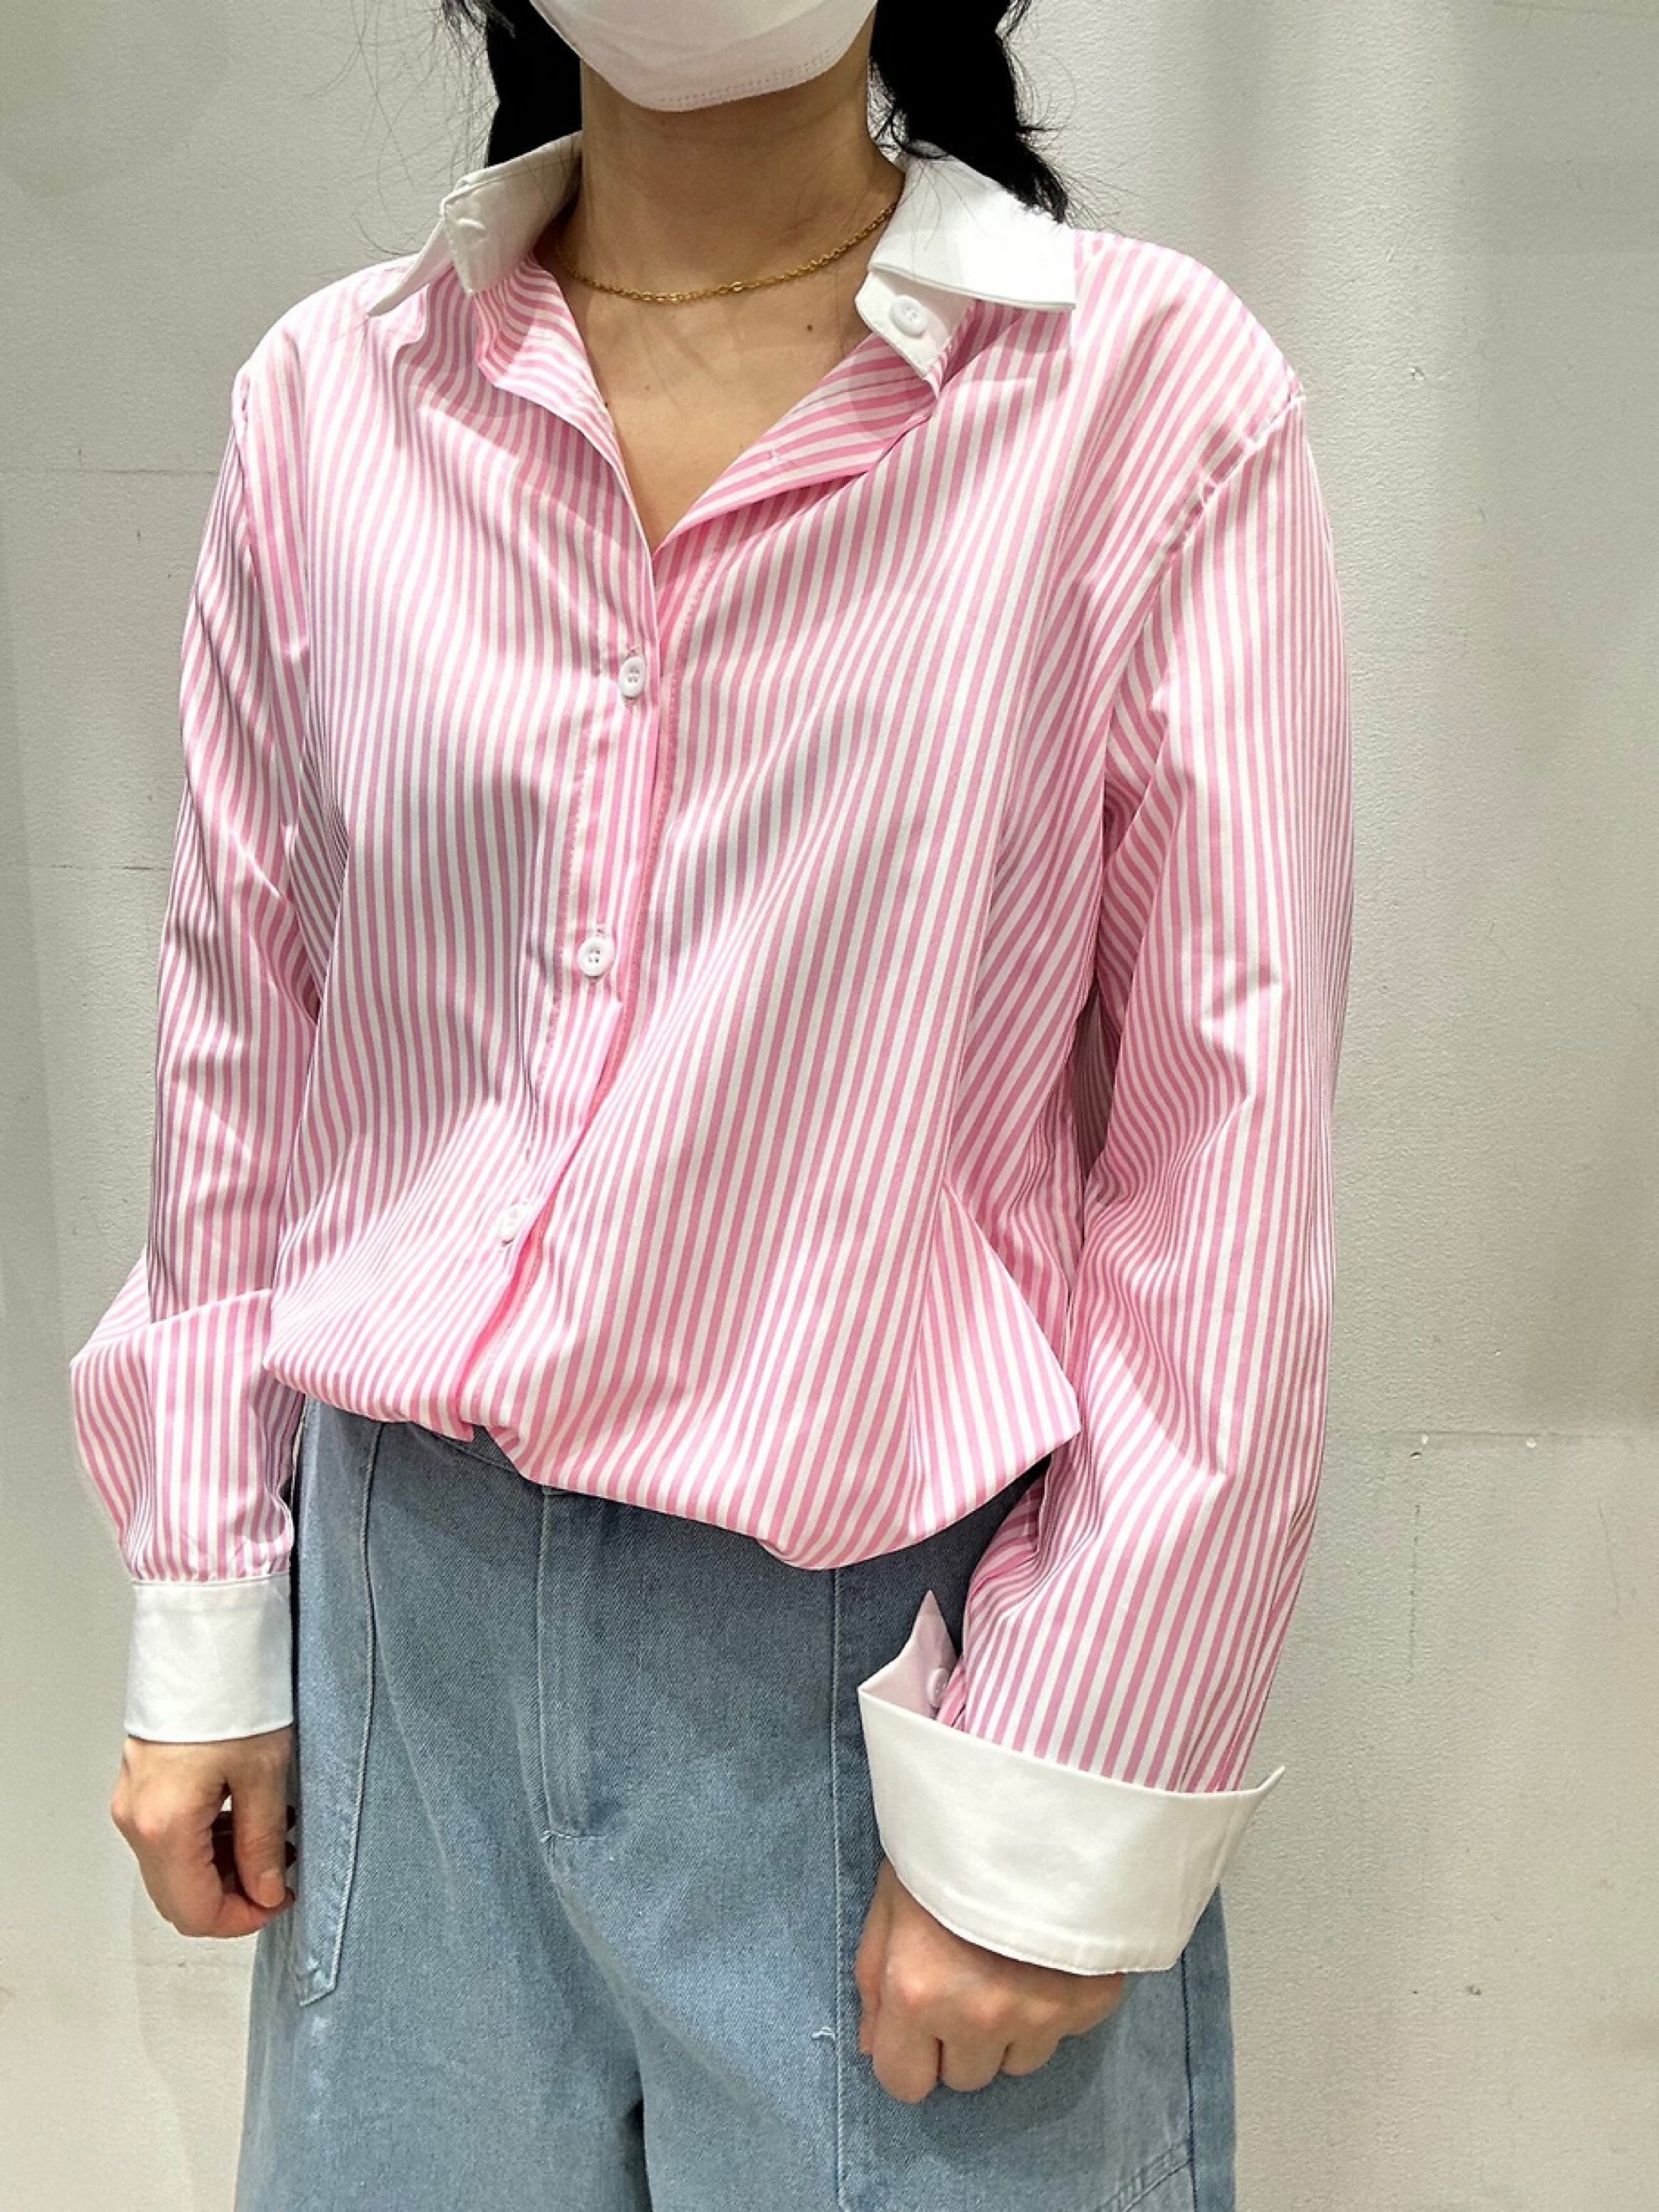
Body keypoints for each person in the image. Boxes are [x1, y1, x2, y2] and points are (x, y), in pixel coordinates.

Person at [66, 1, 1353, 2205]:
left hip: (891, 1672)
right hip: (402, 1654)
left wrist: (1061, 1791)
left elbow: (1224, 1155)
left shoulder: (1142, 400)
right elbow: (244, 1040)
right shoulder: (336, 404)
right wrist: (210, 1598)